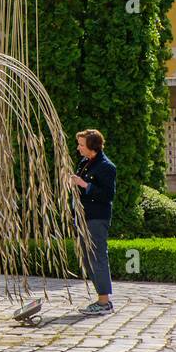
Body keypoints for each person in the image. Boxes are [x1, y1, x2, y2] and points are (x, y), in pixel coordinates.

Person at [69, 129, 117, 316]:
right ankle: (100, 299)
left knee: (97, 257)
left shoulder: (106, 167)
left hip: (97, 218)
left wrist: (84, 185)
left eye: (81, 144)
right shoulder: (85, 162)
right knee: (88, 259)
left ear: (92, 147)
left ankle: (104, 302)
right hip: (83, 217)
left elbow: (107, 195)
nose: (78, 148)